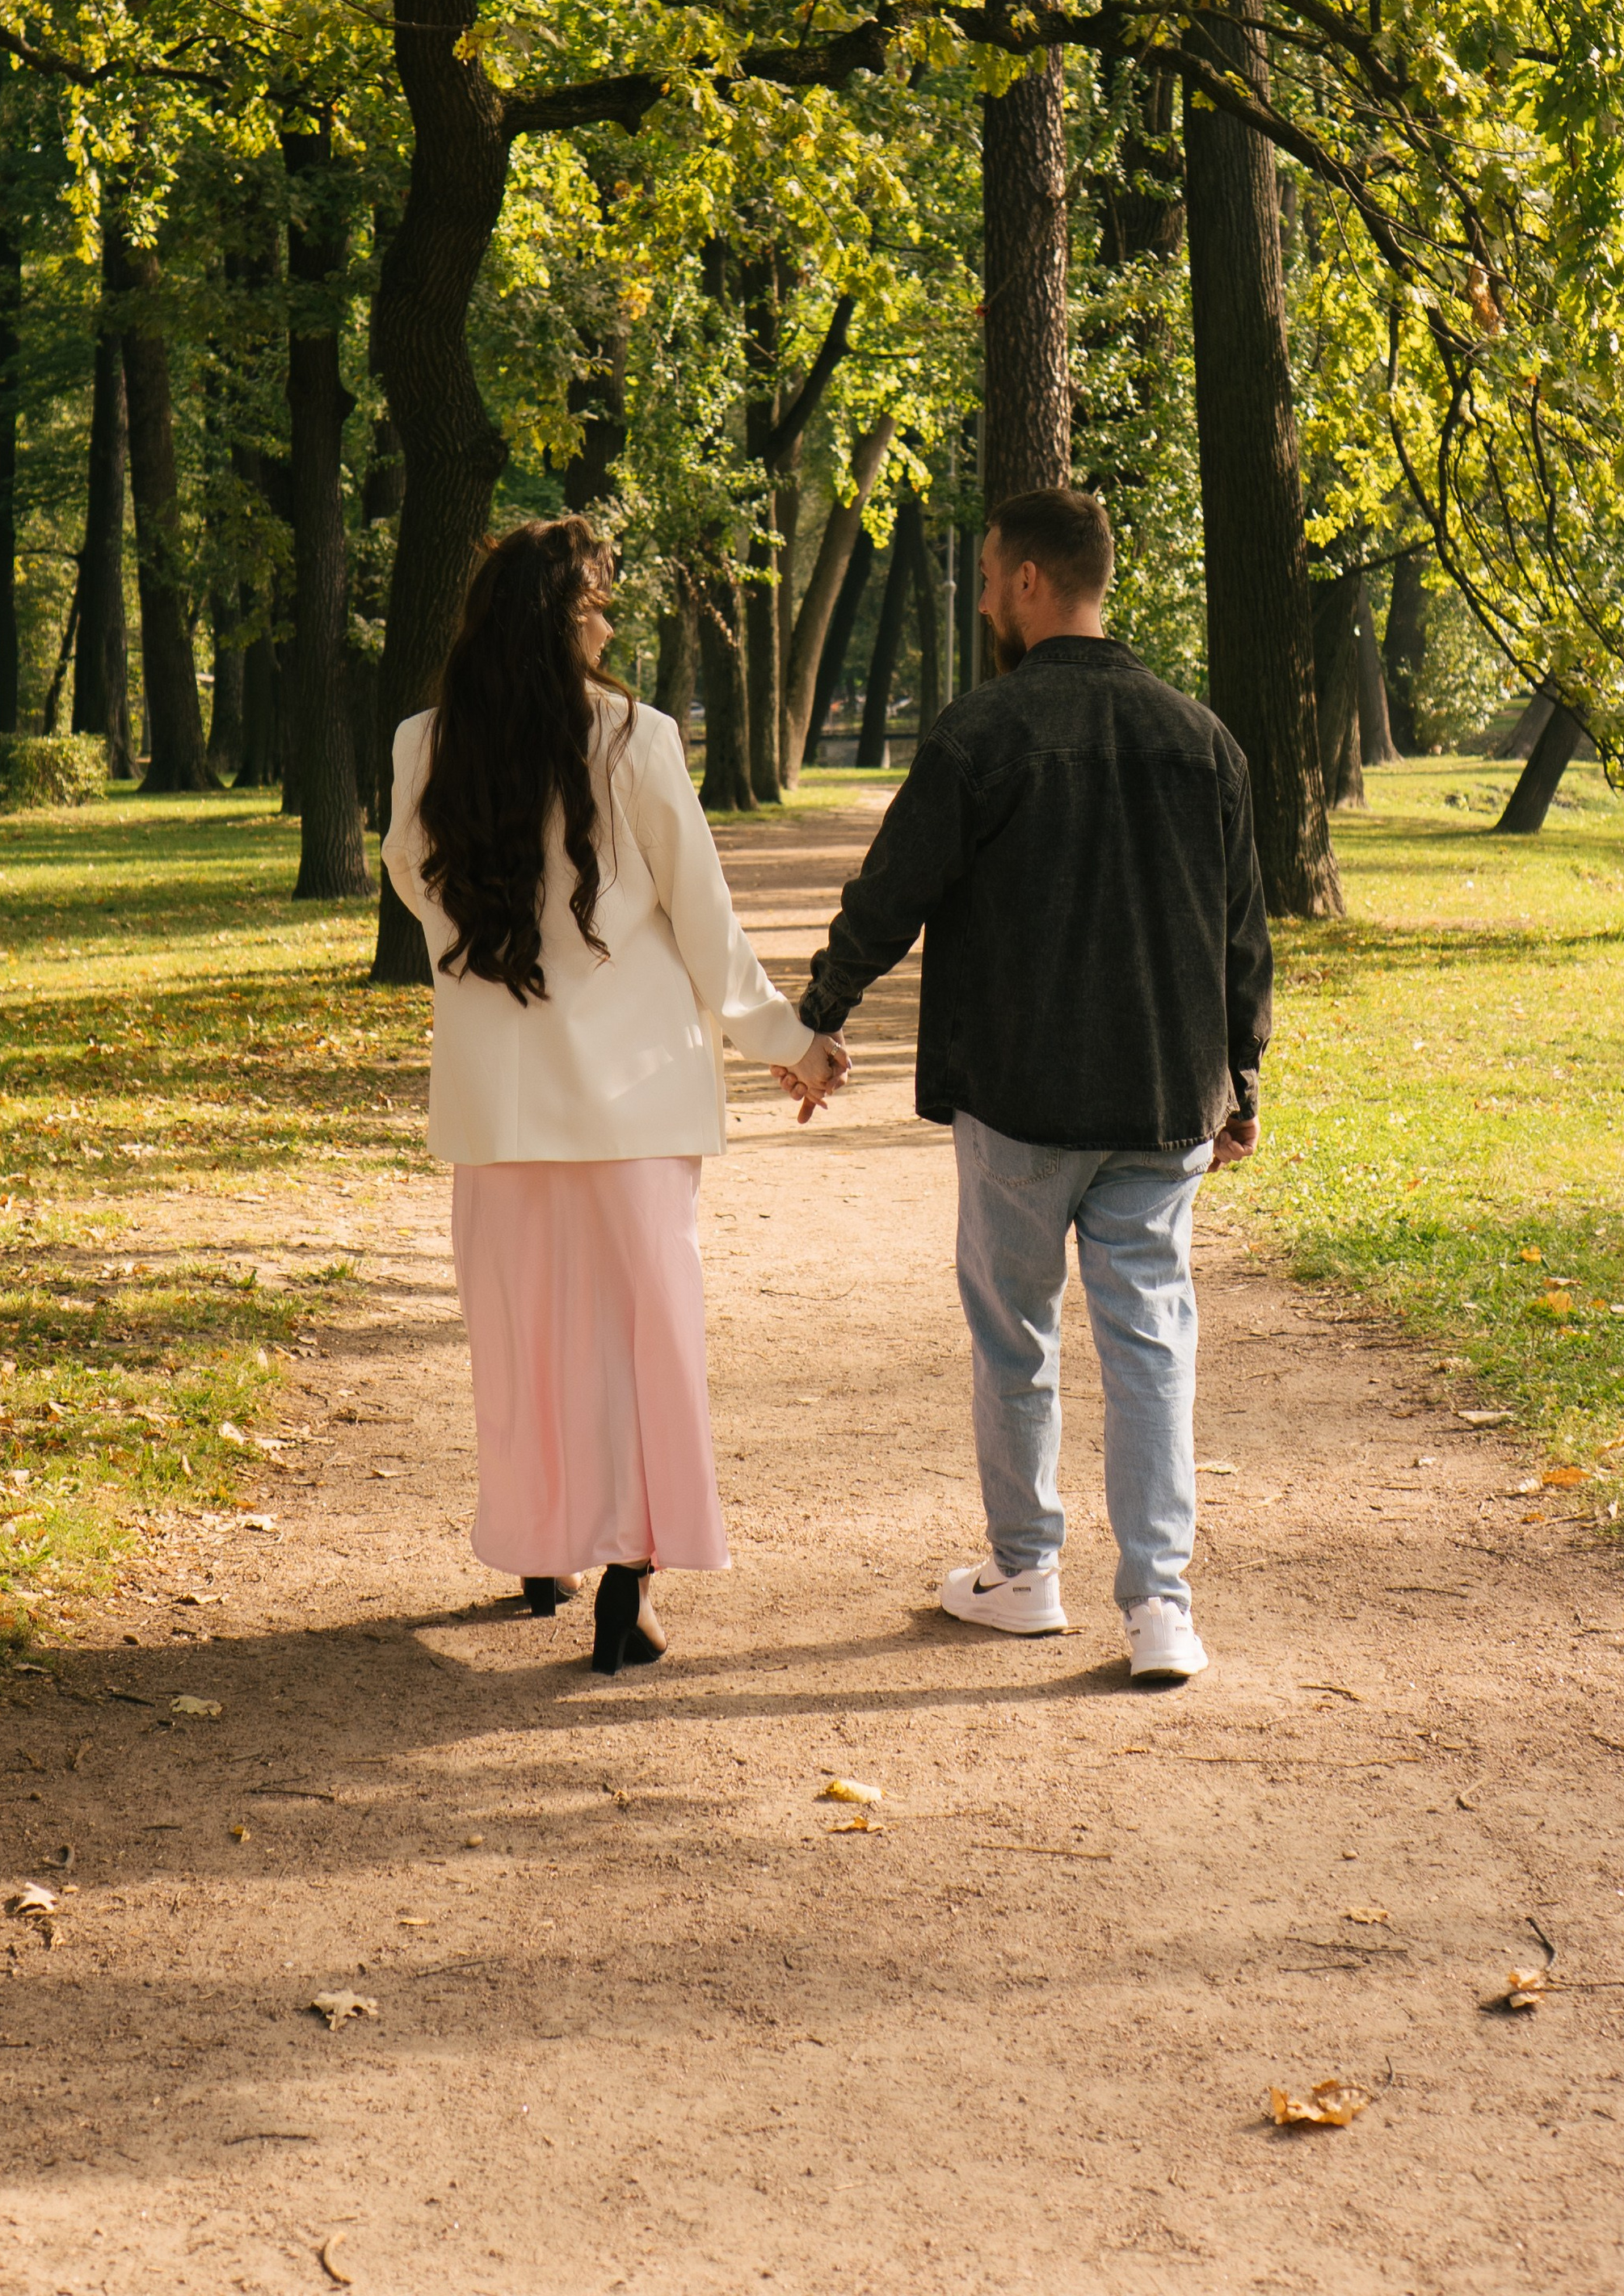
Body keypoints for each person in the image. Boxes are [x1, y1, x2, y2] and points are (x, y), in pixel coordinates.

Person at [788, 486, 1273, 1687]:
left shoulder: (981, 734)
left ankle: (1026, 1573)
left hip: (1019, 1092)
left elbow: (890, 894)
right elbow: (1242, 937)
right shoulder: (1202, 738)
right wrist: (1240, 1082)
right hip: (1161, 1096)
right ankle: (1161, 1605)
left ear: (1029, 583)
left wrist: (816, 1019)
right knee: (1152, 1339)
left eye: (995, 571)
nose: (988, 592)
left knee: (1015, 1334)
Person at [382, 519, 841, 1677]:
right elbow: (701, 912)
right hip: (631, 1097)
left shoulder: (425, 743)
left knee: (525, 1335)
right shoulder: (632, 739)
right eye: (595, 604)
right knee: (644, 1339)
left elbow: (408, 872)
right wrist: (783, 1039)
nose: (609, 623)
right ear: (556, 619)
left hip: (499, 1101)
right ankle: (628, 1577)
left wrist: (474, 957)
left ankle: (546, 1548)